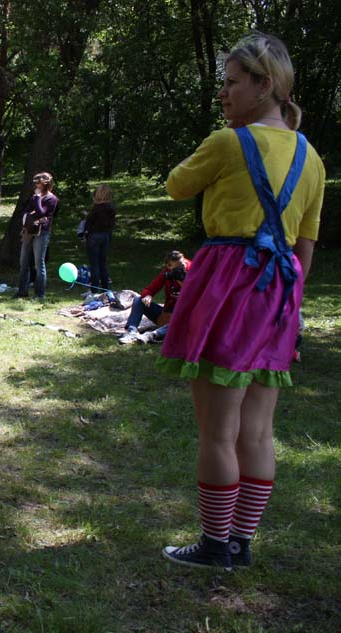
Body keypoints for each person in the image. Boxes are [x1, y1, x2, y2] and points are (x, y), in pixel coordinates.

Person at [156, 33, 325, 570]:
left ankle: (213, 545)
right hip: (279, 293)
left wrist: (221, 140)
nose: (224, 94)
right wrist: (290, 311)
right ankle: (240, 541)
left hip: (227, 284)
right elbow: (304, 245)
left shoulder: (228, 142)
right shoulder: (313, 157)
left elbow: (176, 186)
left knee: (217, 431)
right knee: (256, 430)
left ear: (264, 85)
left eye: (232, 83)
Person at [118, 250, 190, 345]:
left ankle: (152, 335)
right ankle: (131, 331)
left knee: (184, 319)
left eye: (182, 264)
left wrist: (182, 284)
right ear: (169, 266)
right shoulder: (167, 273)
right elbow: (150, 289)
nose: (182, 267)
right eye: (177, 267)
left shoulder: (193, 270)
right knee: (138, 300)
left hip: (184, 316)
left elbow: (198, 294)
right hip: (167, 315)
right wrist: (148, 295)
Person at [16, 172, 58, 300]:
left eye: (39, 183)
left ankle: (39, 294)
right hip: (29, 231)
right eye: (36, 183)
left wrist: (38, 198)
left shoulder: (52, 199)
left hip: (41, 233)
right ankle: (22, 291)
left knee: (39, 264)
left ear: (45, 184)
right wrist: (35, 199)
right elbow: (26, 210)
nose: (36, 185)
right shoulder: (35, 197)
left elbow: (41, 213)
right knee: (23, 262)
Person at [84, 184, 116, 291]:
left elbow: (88, 224)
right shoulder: (111, 209)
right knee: (103, 263)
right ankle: (106, 288)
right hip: (106, 236)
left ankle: (94, 289)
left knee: (94, 264)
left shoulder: (95, 209)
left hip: (94, 236)